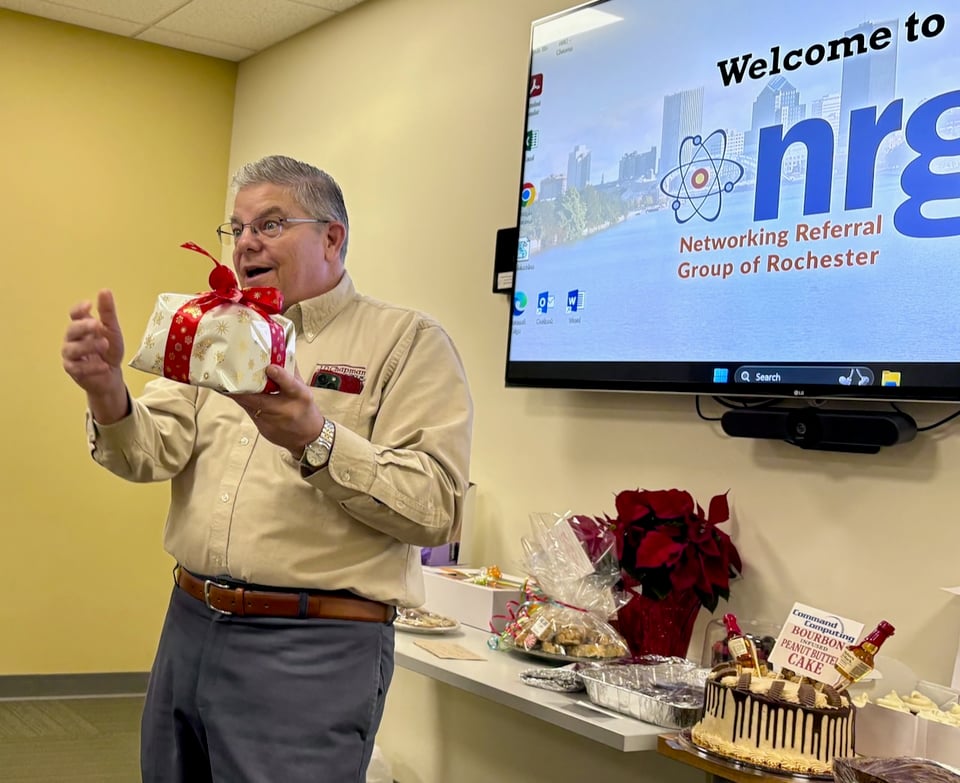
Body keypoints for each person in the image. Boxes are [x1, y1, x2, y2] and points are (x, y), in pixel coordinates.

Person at [60, 154, 474, 782]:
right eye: (238, 227)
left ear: (332, 237)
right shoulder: (212, 330)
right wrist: (107, 391)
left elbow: (438, 506)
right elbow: (154, 449)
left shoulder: (408, 342)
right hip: (190, 622)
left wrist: (318, 438)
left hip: (313, 648)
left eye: (271, 223)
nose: (246, 242)